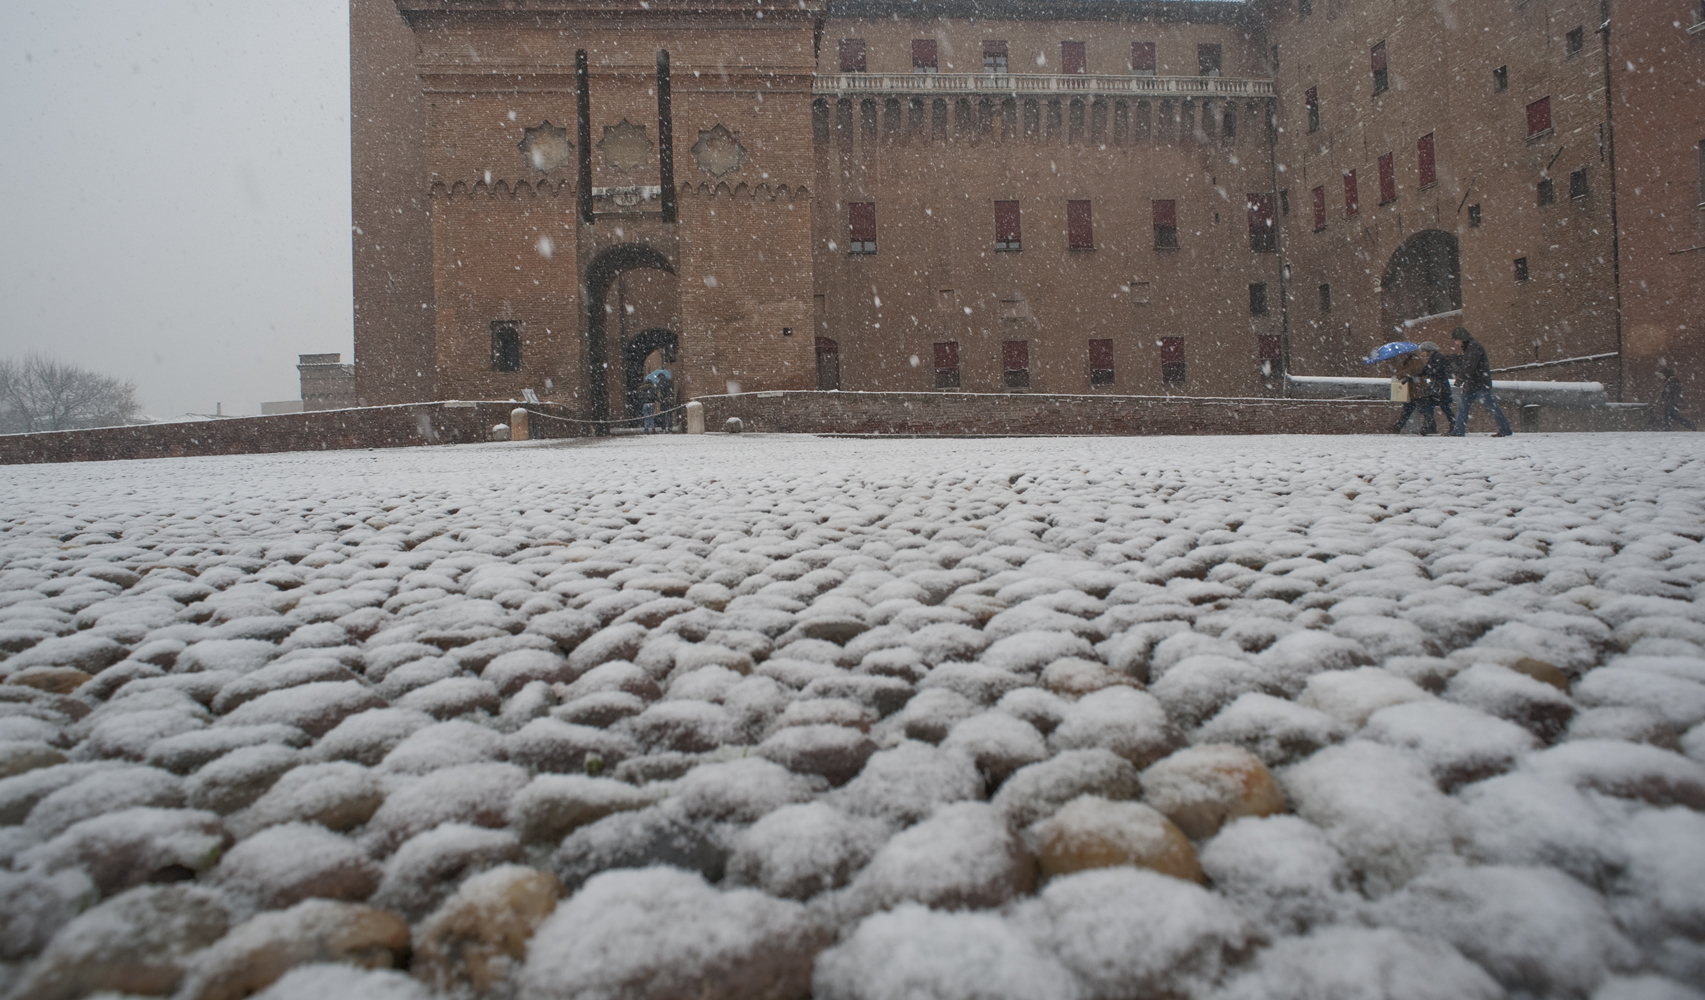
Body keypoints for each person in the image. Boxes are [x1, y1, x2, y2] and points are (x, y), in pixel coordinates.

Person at [1448, 326, 1512, 437]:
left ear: (1461, 338)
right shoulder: (1470, 347)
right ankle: (1458, 430)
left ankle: (1505, 429)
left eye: (1456, 340)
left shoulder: (1473, 347)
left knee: (1488, 406)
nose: (1456, 343)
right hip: (1474, 384)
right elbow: (1468, 366)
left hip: (1479, 384)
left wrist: (1461, 379)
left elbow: (1470, 365)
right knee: (1465, 407)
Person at [1391, 342, 1455, 435]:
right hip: (1437, 386)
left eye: (1423, 351)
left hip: (1440, 386)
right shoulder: (1433, 358)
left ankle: (1447, 425)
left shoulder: (1438, 358)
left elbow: (1437, 370)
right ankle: (1431, 426)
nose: (1421, 353)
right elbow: (1424, 371)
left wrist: (1428, 372)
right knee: (1434, 406)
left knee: (1443, 407)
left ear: (1428, 350)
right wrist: (1410, 377)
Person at [1658, 365, 1696, 431]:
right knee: (1674, 416)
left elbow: (1676, 391)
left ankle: (1666, 429)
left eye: (1661, 375)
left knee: (1667, 416)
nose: (1661, 377)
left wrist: (1676, 401)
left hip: (1670, 402)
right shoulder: (1670, 380)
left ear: (1665, 374)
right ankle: (1690, 425)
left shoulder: (1672, 380)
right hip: (1670, 401)